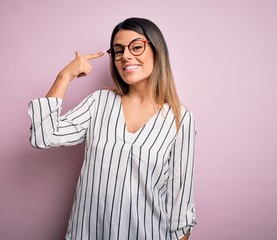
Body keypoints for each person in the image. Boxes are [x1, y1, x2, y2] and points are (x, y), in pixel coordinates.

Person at [28, 17, 196, 240]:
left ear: (157, 50)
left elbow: (180, 202)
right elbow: (44, 135)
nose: (125, 55)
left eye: (136, 47)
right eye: (118, 51)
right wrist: (65, 76)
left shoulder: (180, 118)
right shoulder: (99, 103)